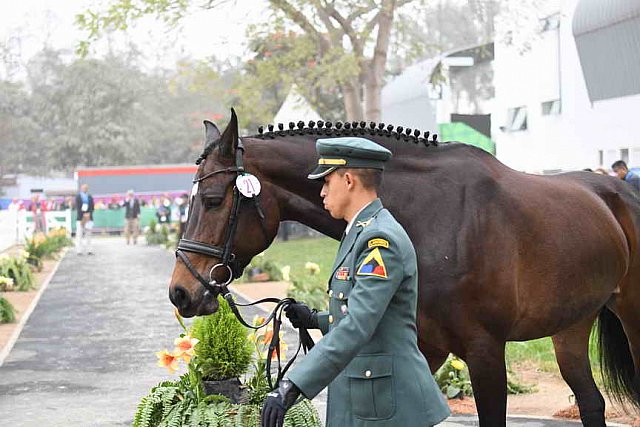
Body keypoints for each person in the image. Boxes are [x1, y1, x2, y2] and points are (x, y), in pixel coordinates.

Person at [261, 137, 450, 427]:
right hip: (372, 397)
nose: (322, 192)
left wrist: (293, 385)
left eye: (326, 182)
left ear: (348, 179)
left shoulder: (379, 240)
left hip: (390, 406)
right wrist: (315, 319)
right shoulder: (360, 233)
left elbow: (359, 324)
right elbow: (370, 314)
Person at [75, 184, 95, 255]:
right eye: (84, 188)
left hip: (88, 218)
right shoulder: (78, 197)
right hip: (80, 218)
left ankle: (89, 250)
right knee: (79, 234)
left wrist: (89, 213)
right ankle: (79, 250)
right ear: (81, 188)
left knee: (88, 234)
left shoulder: (90, 197)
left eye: (86, 188)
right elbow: (78, 207)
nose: (85, 189)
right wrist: (83, 214)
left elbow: (92, 207)